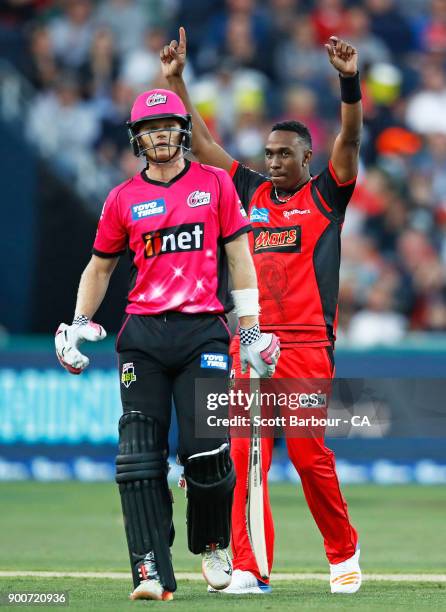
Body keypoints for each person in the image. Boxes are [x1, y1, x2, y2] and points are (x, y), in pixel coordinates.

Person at [54, 87, 280, 601]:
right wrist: (76, 323)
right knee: (138, 458)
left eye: (167, 127)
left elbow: (240, 257)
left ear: (181, 131)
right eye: (149, 130)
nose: (159, 136)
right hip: (144, 339)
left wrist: (249, 327)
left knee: (207, 451)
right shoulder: (123, 199)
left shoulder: (215, 184)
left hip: (204, 332)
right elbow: (100, 267)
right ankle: (150, 570)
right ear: (137, 139)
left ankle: (213, 544)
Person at [160, 27, 363, 595]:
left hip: (304, 343)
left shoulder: (326, 195)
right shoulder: (245, 190)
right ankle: (252, 567)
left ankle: (343, 549)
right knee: (247, 456)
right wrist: (176, 81)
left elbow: (351, 137)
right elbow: (200, 146)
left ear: (307, 157)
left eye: (285, 154)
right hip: (249, 340)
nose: (273, 162)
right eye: (269, 153)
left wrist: (349, 82)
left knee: (306, 452)